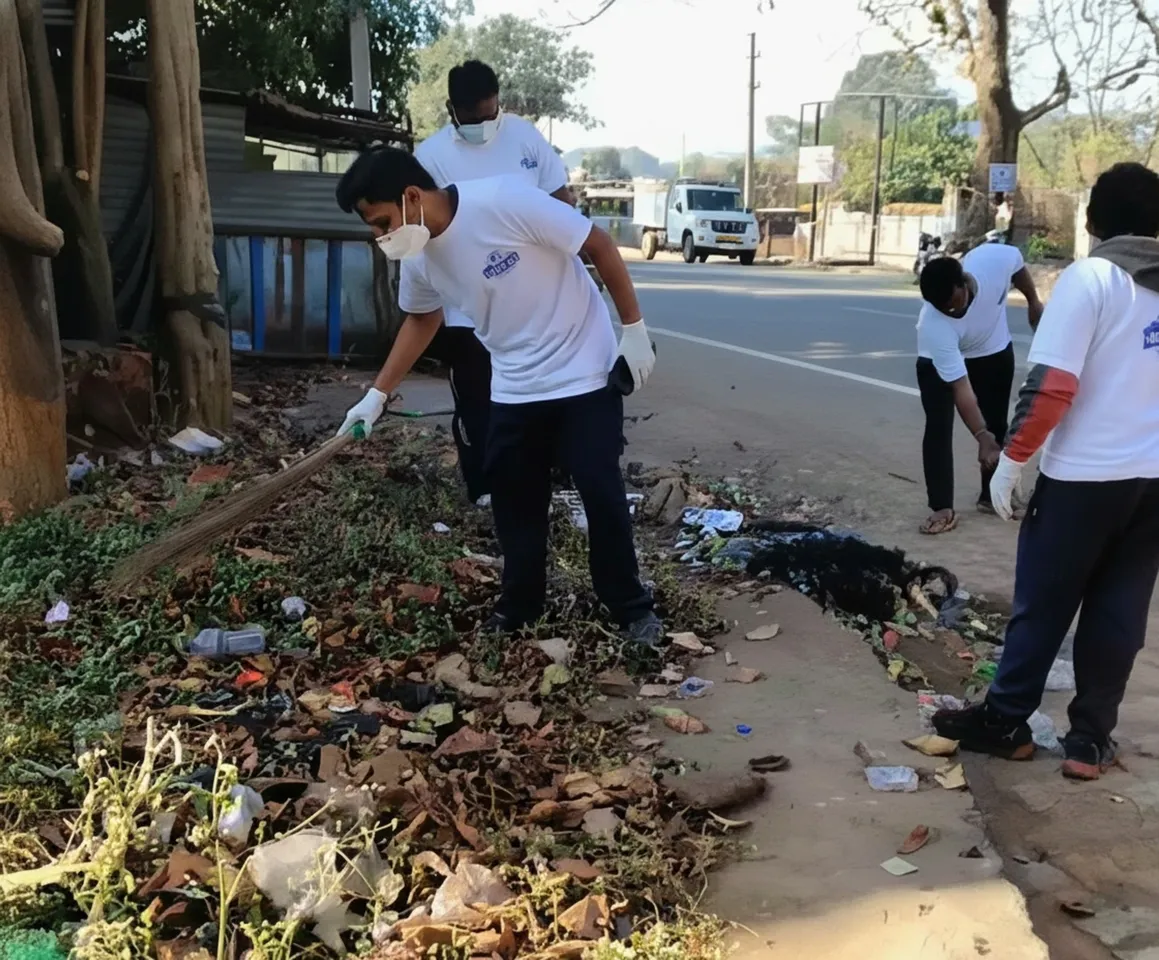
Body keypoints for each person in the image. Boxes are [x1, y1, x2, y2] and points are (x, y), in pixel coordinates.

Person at [333, 148, 663, 645]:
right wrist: (376, 396)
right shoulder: (419, 255)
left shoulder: (504, 201)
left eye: (382, 221)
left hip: (582, 368)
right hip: (512, 379)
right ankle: (520, 607)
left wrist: (633, 330)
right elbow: (423, 318)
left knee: (600, 489)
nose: (381, 236)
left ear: (411, 196)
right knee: (513, 500)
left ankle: (631, 608)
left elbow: (595, 243)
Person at [934, 162, 1159, 781]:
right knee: (1120, 610)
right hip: (1152, 483)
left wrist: (1010, 460)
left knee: (1044, 600)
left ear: (1091, 223)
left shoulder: (1094, 279)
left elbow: (1054, 385)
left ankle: (1006, 721)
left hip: (1085, 479)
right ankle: (1090, 741)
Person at [414, 60, 574, 504]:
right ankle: (485, 487)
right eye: (474, 118)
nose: (485, 125)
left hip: (534, 300)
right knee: (478, 397)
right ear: (451, 110)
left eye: (491, 114)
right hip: (469, 305)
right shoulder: (430, 158)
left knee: (545, 392)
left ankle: (546, 477)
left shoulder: (524, 137)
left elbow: (562, 201)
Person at [915, 246, 1044, 534]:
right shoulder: (934, 324)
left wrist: (1033, 300)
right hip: (935, 358)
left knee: (997, 421)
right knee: (938, 425)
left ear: (963, 282)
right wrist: (980, 435)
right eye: (942, 307)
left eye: (954, 302)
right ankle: (941, 507)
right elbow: (961, 388)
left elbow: (1018, 265)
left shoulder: (993, 260)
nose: (951, 310)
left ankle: (991, 495)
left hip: (991, 347)